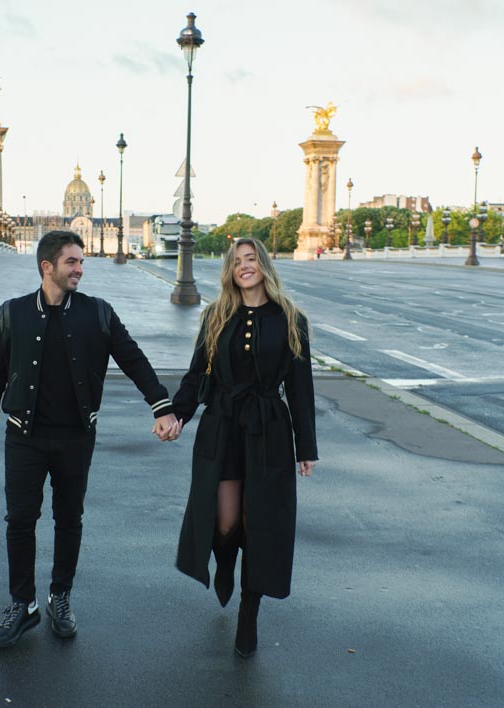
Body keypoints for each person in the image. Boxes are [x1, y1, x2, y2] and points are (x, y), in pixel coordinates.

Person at [0, 230, 179, 649]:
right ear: (47, 266)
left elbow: (133, 359)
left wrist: (161, 406)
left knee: (69, 519)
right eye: (72, 262)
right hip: (24, 435)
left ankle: (60, 596)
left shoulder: (98, 313)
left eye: (81, 262)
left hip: (75, 436)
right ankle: (23, 604)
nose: (80, 269)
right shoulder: (12, 313)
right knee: (20, 520)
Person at [166, 237, 318, 658]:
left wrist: (306, 447)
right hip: (222, 425)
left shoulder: (292, 318)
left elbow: (300, 388)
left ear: (264, 265)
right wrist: (177, 415)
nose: (244, 266)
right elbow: (197, 374)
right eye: (237, 262)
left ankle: (248, 615)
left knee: (261, 525)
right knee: (225, 521)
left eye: (251, 259)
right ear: (230, 272)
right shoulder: (217, 315)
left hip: (269, 431)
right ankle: (225, 561)